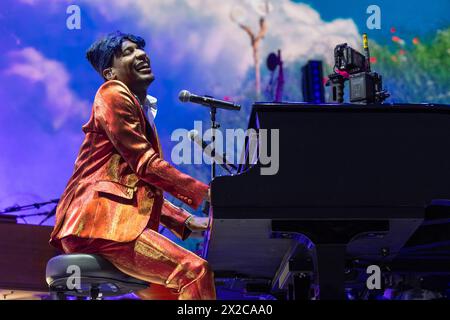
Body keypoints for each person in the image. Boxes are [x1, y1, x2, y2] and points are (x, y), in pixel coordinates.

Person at [49, 31, 216, 300]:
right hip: (100, 224)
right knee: (196, 272)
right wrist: (206, 193)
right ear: (109, 73)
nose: (141, 54)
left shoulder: (135, 105)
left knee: (173, 296)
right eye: (128, 52)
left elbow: (138, 185)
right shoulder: (112, 92)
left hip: (109, 226)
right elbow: (146, 165)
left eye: (139, 49)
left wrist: (186, 220)